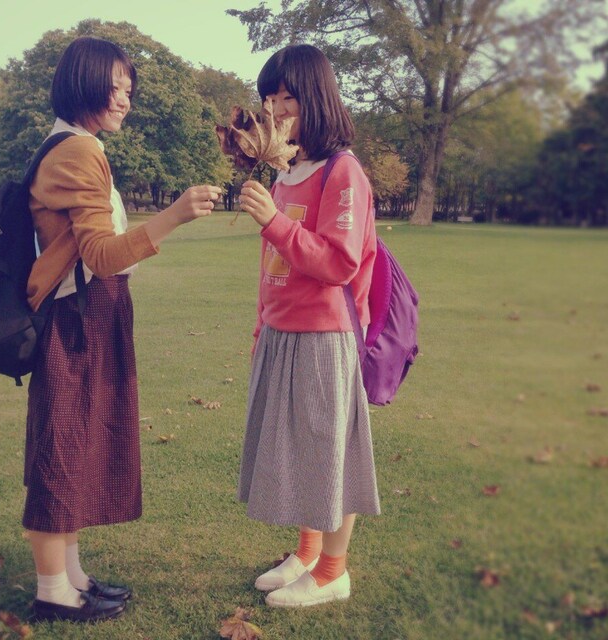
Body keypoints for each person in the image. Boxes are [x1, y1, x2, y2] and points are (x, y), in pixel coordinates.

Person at [23, 36, 220, 623]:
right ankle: (52, 590)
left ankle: (72, 577)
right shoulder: (77, 152)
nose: (124, 99)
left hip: (93, 314)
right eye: (114, 87)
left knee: (78, 444)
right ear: (82, 83)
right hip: (76, 318)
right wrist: (174, 215)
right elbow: (102, 256)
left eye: (128, 89)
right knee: (62, 447)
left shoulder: (78, 145)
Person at [237, 44, 380, 608]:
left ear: (315, 98)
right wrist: (262, 325)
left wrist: (273, 222)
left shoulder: (344, 172)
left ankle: (332, 573)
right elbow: (271, 266)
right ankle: (307, 552)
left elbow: (339, 263)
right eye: (268, 99)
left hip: (326, 335)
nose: (275, 110)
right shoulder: (287, 172)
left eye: (286, 97)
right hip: (283, 332)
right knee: (300, 448)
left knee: (329, 451)